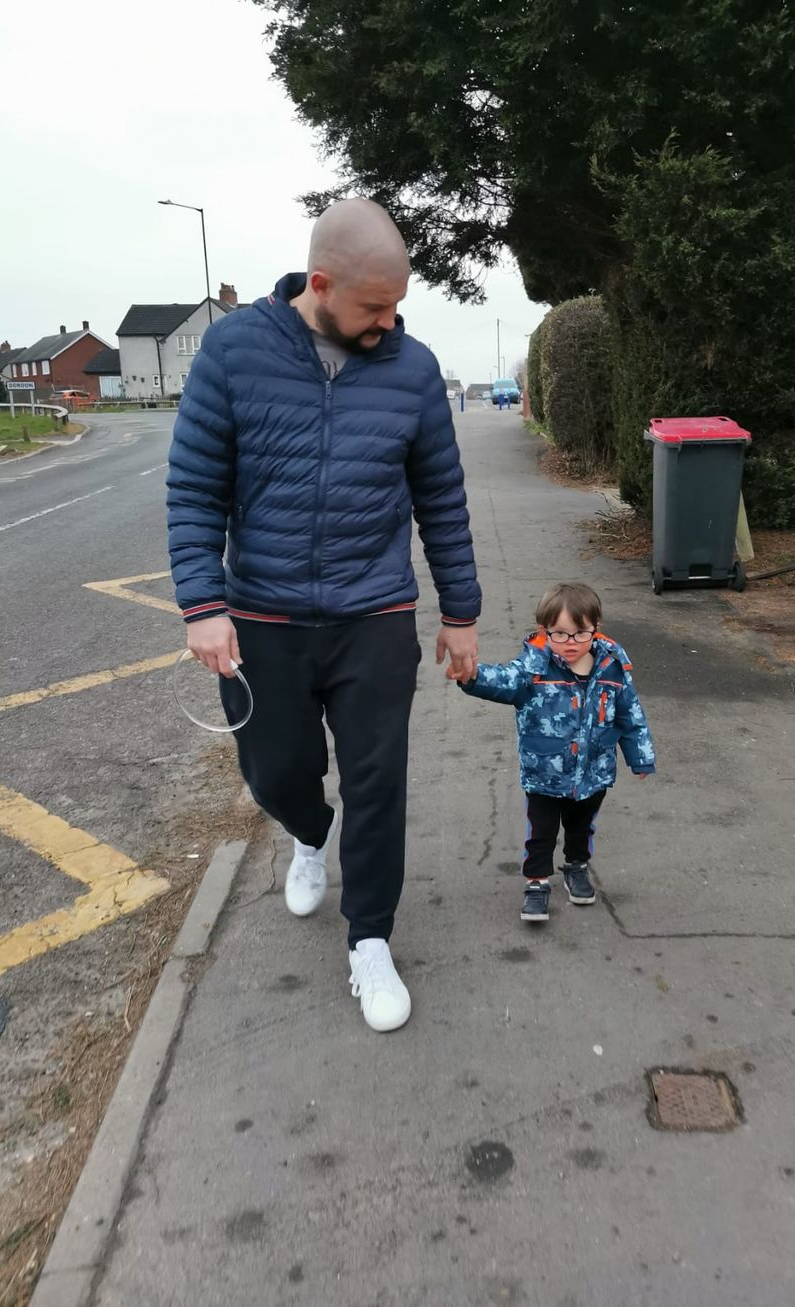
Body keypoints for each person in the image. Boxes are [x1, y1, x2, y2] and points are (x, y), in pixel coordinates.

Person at [167, 198, 480, 1032]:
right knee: (274, 772)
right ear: (319, 283)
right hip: (262, 615)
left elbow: (441, 501)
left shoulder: (413, 371)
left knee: (379, 781)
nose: (389, 323)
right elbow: (195, 487)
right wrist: (203, 605)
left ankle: (370, 937)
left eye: (398, 306)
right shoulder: (234, 351)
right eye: (373, 308)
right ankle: (311, 832)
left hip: (374, 612)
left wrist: (461, 613)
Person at [450, 582, 654, 922]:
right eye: (559, 634)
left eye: (579, 634)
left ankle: (576, 867)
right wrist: (471, 676)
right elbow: (503, 680)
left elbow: (630, 716)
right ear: (544, 631)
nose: (569, 643)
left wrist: (641, 756)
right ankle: (537, 881)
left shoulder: (613, 670)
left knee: (581, 826)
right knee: (541, 831)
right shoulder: (533, 670)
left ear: (595, 629)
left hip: (594, 771)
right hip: (543, 772)